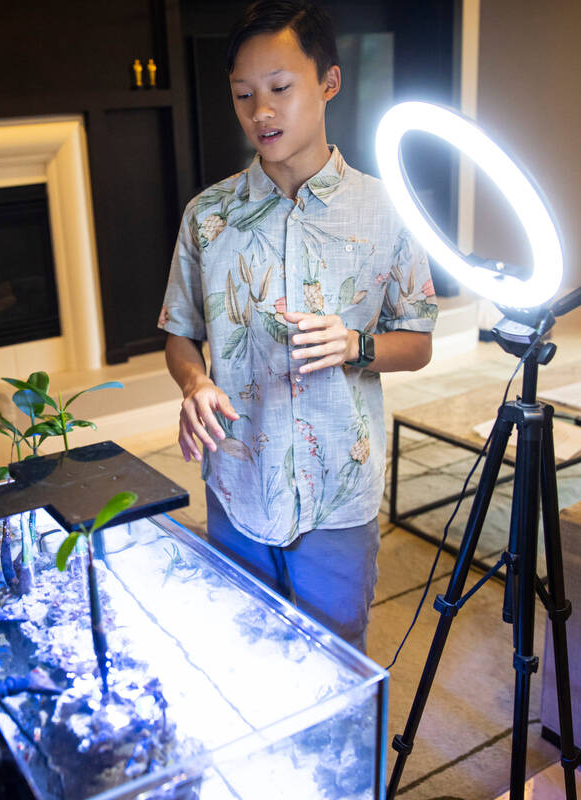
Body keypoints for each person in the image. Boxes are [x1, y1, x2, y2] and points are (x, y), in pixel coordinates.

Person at [158, 0, 437, 652]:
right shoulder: (208, 216)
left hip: (338, 490)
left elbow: (419, 342)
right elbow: (178, 332)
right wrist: (194, 382)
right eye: (244, 94)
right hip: (236, 480)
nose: (262, 110)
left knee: (334, 663)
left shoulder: (385, 210)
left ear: (328, 83)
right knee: (245, 653)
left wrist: (355, 345)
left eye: (280, 89)